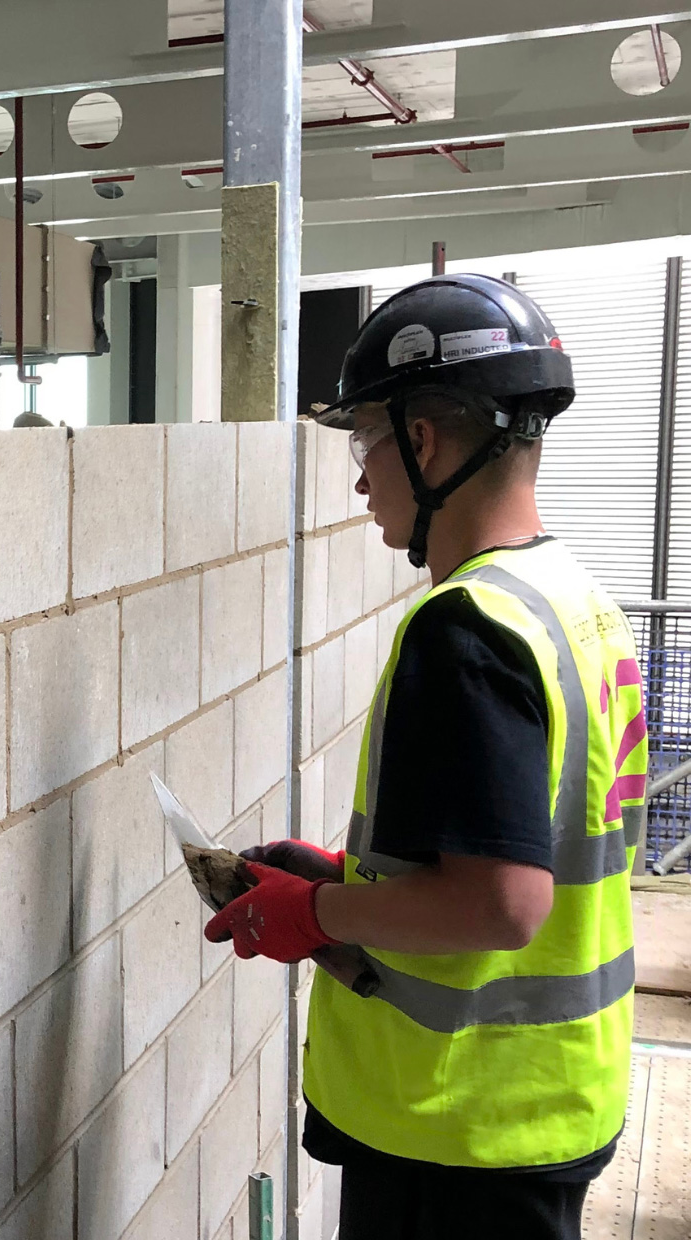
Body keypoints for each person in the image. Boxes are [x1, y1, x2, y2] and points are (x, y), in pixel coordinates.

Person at [205, 274, 648, 1240]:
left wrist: (311, 913)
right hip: (550, 1100)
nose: (362, 477)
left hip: (463, 1127)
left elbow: (502, 904)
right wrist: (354, 880)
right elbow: (526, 849)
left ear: (425, 440)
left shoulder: (469, 629)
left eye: (368, 441)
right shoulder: (575, 600)